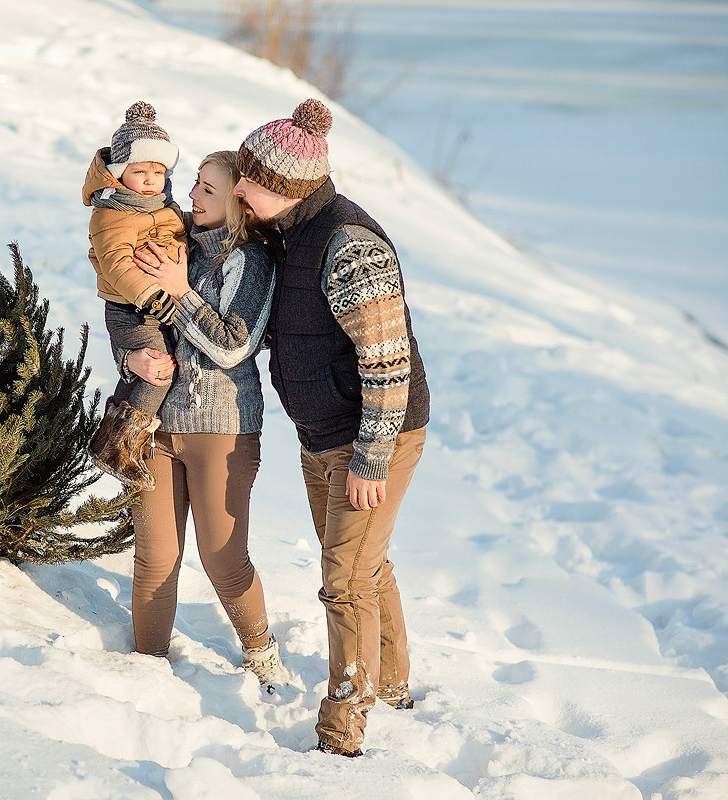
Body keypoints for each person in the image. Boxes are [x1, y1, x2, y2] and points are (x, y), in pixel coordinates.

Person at [233, 100, 431, 755]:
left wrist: (372, 458)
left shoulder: (348, 245)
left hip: (373, 435)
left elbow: (387, 362)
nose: (239, 187)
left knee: (344, 581)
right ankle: (393, 686)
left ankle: (342, 731)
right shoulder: (290, 237)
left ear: (287, 187)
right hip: (322, 433)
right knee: (362, 566)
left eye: (250, 179)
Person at [115, 150, 287, 691]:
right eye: (194, 184)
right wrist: (131, 355)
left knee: (222, 557)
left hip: (223, 429)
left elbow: (233, 347)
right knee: (155, 557)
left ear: (237, 203)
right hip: (156, 424)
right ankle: (148, 668)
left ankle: (261, 655)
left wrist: (181, 290)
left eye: (207, 190)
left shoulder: (251, 262)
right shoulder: (173, 242)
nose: (191, 195)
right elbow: (126, 311)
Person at [83, 101, 186, 490]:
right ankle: (120, 449)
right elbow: (116, 265)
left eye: (158, 172)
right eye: (140, 171)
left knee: (149, 370)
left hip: (154, 306)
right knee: (158, 370)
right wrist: (152, 297)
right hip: (132, 309)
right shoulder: (111, 213)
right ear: (118, 172)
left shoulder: (166, 207)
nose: (150, 181)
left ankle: (110, 441)